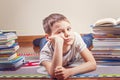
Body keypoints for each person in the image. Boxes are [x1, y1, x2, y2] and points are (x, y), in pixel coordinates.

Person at [39, 13, 96, 80]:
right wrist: (58, 43)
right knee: (42, 42)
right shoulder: (45, 52)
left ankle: (90, 35)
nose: (67, 34)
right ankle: (40, 40)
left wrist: (69, 72)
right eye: (59, 32)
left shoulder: (75, 38)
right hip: (49, 42)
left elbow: (92, 64)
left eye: (68, 29)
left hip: (77, 40)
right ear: (48, 37)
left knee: (87, 39)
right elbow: (54, 74)